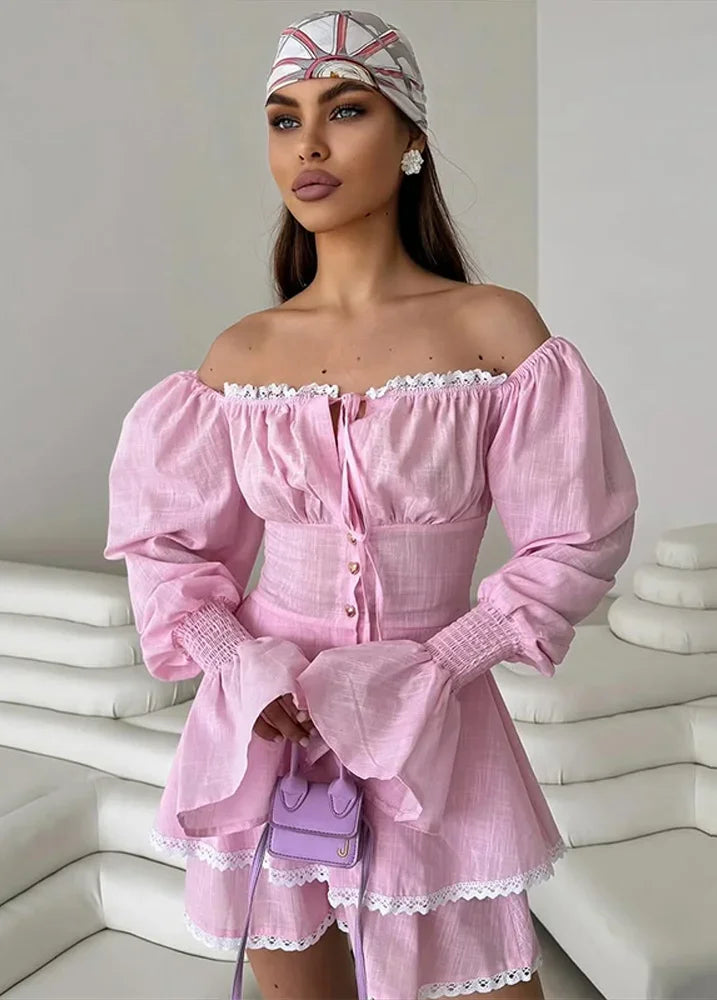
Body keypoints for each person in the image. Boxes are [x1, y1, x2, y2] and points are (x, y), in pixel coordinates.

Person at [103, 9, 639, 1000]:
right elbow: (172, 560)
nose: (306, 144)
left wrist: (441, 664)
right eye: (281, 119)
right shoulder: (238, 359)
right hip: (270, 736)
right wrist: (238, 666)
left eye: (343, 111)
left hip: (440, 729)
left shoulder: (496, 331)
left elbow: (573, 539)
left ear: (411, 137)